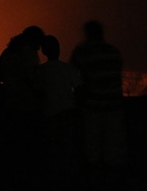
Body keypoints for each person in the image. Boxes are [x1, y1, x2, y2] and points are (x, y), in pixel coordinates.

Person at [70, 20, 125, 168]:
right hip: (114, 105)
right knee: (112, 148)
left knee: (92, 146)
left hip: (92, 105)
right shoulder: (114, 52)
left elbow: (73, 74)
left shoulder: (82, 51)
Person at [36, 35, 82, 168]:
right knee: (68, 146)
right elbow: (79, 87)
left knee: (52, 147)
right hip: (68, 111)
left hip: (49, 113)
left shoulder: (41, 71)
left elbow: (38, 91)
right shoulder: (67, 68)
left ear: (43, 52)